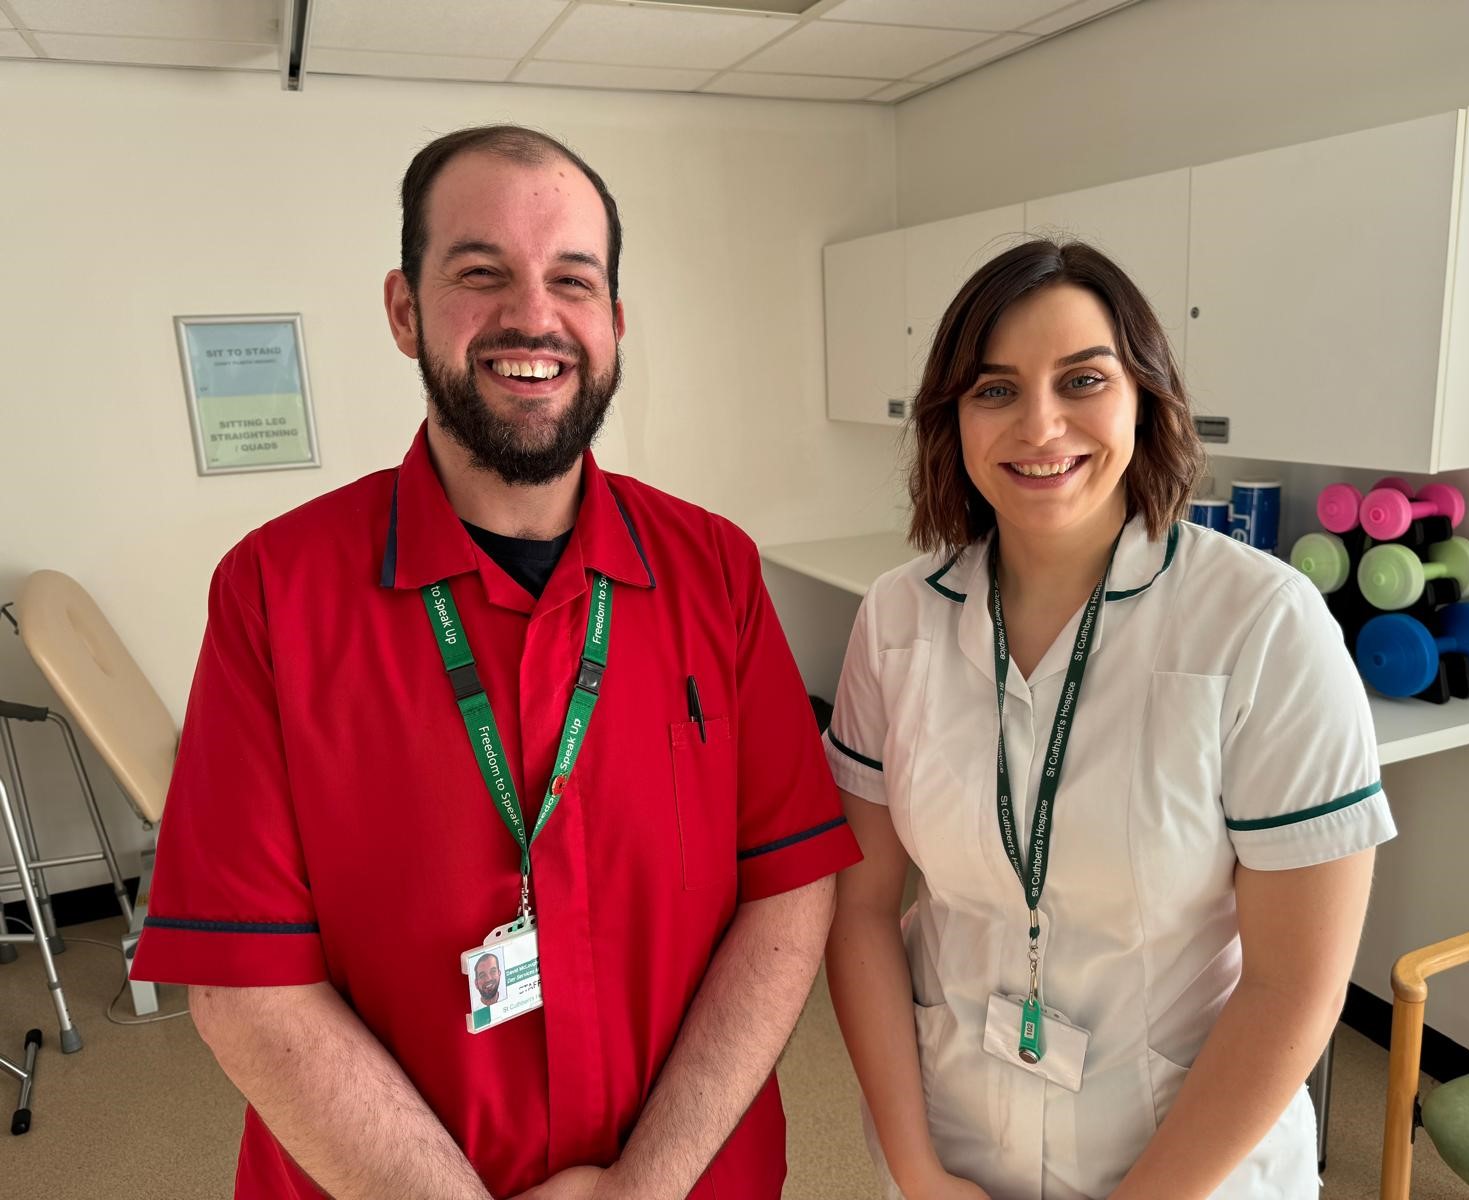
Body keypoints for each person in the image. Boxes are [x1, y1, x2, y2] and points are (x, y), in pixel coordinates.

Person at [131, 124, 859, 1200]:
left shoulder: (714, 572)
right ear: (404, 308)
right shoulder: (274, 594)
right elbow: (246, 988)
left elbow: (789, 893)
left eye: (573, 280)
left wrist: (639, 1188)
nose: (533, 316)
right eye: (481, 274)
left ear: (613, 324)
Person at [823, 239, 1395, 1200]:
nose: (1040, 425)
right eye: (994, 389)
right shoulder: (897, 617)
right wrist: (918, 1172)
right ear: (952, 419)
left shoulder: (1261, 625)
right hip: (953, 1146)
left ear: (1145, 396)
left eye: (1082, 379)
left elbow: (1293, 986)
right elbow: (864, 911)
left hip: (1184, 1162)